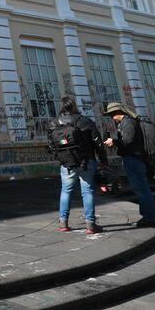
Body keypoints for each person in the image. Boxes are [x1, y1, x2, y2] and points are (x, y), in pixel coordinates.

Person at [46, 96, 106, 234]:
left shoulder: (54, 123)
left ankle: (63, 222)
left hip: (66, 163)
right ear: (74, 106)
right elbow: (98, 142)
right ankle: (90, 224)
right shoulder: (84, 121)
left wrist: (61, 156)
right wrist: (103, 160)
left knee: (66, 191)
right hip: (86, 161)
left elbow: (50, 146)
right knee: (87, 191)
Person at [102, 102, 155, 228]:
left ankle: (149, 217)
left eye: (112, 114)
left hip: (133, 159)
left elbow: (128, 141)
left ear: (118, 112)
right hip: (135, 158)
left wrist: (114, 141)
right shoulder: (128, 122)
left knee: (141, 189)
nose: (111, 117)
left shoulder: (127, 122)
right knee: (143, 188)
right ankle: (154, 216)